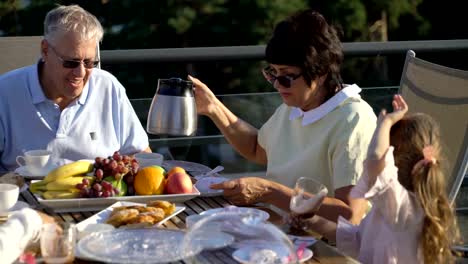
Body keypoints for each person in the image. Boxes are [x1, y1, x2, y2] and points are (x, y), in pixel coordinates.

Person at [189, 9, 376, 223]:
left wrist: (270, 192)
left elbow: (350, 214)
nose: (278, 84)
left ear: (321, 72)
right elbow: (257, 150)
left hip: (327, 245)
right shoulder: (296, 105)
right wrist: (213, 107)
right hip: (282, 227)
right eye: (273, 74)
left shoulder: (353, 119)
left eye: (287, 76)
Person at [290, 95, 461, 263]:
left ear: (393, 161)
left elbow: (374, 162)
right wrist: (311, 221)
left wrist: (385, 123)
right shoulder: (391, 206)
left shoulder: (403, 206)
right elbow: (357, 240)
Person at [0, 5, 150, 172]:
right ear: (45, 50)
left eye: (89, 63)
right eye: (70, 62)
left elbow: (140, 154)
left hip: (100, 197)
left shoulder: (108, 87)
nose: (80, 72)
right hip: (21, 196)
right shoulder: (5, 92)